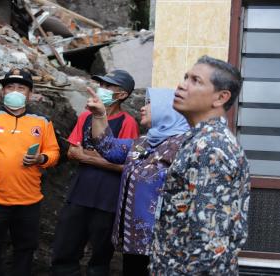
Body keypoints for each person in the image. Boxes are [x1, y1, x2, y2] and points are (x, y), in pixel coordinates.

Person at [148, 56, 250, 275]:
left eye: (195, 80)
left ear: (221, 97)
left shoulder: (211, 149)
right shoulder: (199, 140)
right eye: (186, 77)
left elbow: (209, 242)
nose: (182, 84)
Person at [0, 68, 60, 276]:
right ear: (2, 92)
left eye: (21, 87)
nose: (15, 91)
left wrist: (41, 158)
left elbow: (54, 152)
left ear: (30, 94)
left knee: (25, 250)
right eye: (10, 87)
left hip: (29, 201)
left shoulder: (41, 122)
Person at [83, 86, 190, 275]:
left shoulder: (184, 145)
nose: (143, 107)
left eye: (149, 103)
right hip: (134, 240)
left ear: (167, 109)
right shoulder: (144, 143)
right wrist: (100, 115)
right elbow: (108, 148)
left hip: (162, 243)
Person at [51, 70, 139, 276]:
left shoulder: (127, 122)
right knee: (65, 249)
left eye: (109, 87)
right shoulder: (85, 116)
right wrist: (102, 157)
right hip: (80, 192)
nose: (103, 90)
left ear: (122, 95)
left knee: (100, 258)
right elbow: (72, 151)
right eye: (102, 84)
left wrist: (88, 157)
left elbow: (128, 166)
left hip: (108, 199)